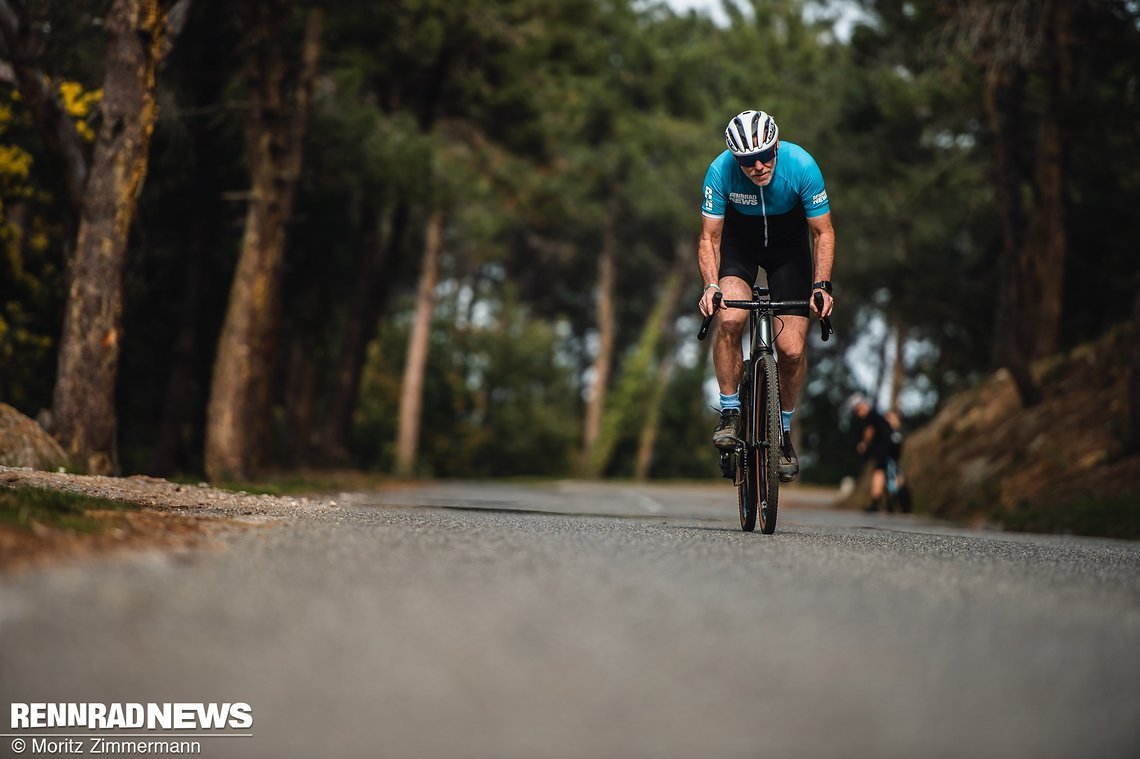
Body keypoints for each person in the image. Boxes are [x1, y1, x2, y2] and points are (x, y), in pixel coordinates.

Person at [697, 109, 836, 482]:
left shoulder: (802, 165)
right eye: (746, 160)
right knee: (729, 318)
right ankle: (729, 411)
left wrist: (821, 286)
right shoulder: (719, 171)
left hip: (788, 250)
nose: (758, 166)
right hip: (739, 247)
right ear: (734, 158)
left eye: (764, 155)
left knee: (791, 349)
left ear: (776, 146)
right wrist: (711, 285)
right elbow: (709, 238)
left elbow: (822, 233)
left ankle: (784, 432)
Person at [849, 394, 911, 513]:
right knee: (893, 471)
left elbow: (869, 431)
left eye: (857, 410)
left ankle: (875, 502)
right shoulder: (877, 414)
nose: (858, 414)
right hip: (894, 445)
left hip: (885, 446)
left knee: (879, 471)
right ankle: (900, 497)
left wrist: (864, 444)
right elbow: (893, 423)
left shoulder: (870, 416)